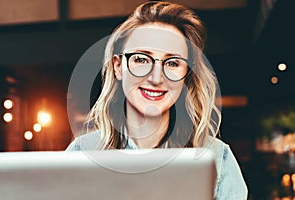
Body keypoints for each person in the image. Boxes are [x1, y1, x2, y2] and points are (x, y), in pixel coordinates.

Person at [66, 1, 248, 199]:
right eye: (141, 59)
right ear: (118, 67)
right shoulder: (81, 153)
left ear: (186, 74)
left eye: (172, 63)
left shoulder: (218, 159)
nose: (156, 78)